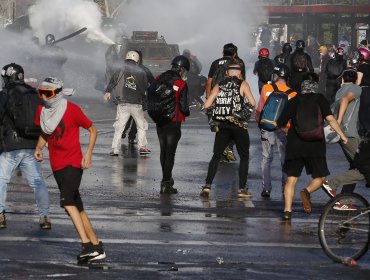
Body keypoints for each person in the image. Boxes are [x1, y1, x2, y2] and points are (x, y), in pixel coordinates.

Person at [34, 77, 105, 263]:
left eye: (47, 93)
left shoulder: (71, 109)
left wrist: (88, 154)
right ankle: (97, 246)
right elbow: (45, 132)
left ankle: (86, 246)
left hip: (73, 163)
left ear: (57, 93)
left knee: (67, 202)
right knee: (77, 208)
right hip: (56, 165)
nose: (43, 96)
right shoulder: (42, 111)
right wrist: (39, 148)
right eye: (40, 92)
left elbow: (92, 129)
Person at [277, 73, 347, 220]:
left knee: (291, 179)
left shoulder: (294, 100)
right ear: (315, 88)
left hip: (295, 144)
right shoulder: (320, 99)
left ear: (302, 88)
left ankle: (287, 211)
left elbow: (281, 123)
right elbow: (330, 119)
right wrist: (342, 135)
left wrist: (288, 131)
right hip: (315, 144)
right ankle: (307, 191)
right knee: (320, 177)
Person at [0, 63, 50, 230]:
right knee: (37, 182)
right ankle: (44, 216)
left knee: (2, 180)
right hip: (31, 144)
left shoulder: (5, 93)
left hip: (10, 146)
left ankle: (0, 215)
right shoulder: (33, 93)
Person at [200, 60, 256, 198]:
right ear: (240, 73)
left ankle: (207, 186)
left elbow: (207, 104)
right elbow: (252, 102)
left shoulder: (219, 85)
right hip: (238, 125)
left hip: (223, 125)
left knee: (216, 156)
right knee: (244, 156)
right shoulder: (242, 84)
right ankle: (242, 189)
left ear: (226, 73)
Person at [255, 64, 297, 198]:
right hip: (284, 129)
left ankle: (266, 188)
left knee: (266, 158)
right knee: (284, 159)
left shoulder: (266, 88)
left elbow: (260, 109)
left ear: (276, 76)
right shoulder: (293, 93)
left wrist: (260, 123)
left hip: (267, 126)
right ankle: (285, 188)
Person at [150, 55, 190, 194]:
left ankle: (166, 178)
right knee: (170, 154)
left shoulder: (159, 78)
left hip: (159, 120)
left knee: (163, 151)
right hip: (174, 121)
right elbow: (184, 108)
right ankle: (166, 183)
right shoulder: (181, 84)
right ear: (182, 69)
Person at [321, 69, 362, 202]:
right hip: (349, 134)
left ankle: (344, 200)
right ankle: (332, 183)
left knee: (355, 167)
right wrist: (338, 121)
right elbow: (346, 100)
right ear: (355, 80)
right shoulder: (356, 89)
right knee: (365, 167)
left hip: (342, 134)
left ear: (342, 79)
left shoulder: (340, 91)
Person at [104, 50, 151, 156]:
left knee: (119, 127)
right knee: (141, 126)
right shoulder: (141, 71)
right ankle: (142, 147)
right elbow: (145, 88)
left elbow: (112, 81)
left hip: (123, 103)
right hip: (136, 104)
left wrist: (107, 92)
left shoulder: (120, 69)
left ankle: (115, 149)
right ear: (137, 60)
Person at [206, 43, 245, 163]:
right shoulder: (238, 64)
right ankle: (228, 149)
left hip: (217, 97)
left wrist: (208, 98)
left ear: (223, 52)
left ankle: (221, 151)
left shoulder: (215, 63)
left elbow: (209, 82)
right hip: (233, 98)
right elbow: (242, 82)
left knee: (220, 124)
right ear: (234, 53)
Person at [122, 50, 155, 145]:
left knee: (128, 116)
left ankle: (123, 131)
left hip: (127, 96)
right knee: (138, 119)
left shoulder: (125, 68)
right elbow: (152, 82)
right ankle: (131, 137)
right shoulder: (144, 70)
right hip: (140, 98)